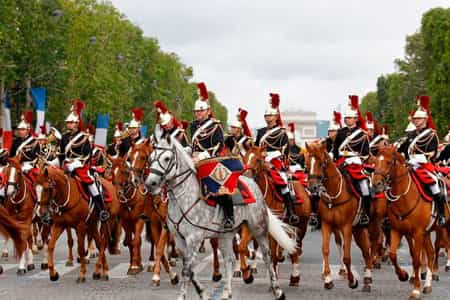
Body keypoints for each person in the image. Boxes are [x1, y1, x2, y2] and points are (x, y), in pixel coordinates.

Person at [189, 82, 237, 229]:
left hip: (212, 161)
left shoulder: (216, 126)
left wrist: (200, 156)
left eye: (201, 111)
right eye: (196, 111)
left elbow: (218, 147)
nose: (198, 113)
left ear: (208, 111)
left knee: (220, 187)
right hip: (195, 160)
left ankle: (229, 217)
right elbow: (194, 145)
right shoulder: (193, 126)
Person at [54, 100, 109, 222]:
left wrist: (74, 165)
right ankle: (51, 210)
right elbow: (62, 154)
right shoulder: (64, 137)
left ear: (76, 123)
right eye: (68, 123)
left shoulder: (84, 137)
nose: (68, 125)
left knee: (91, 183)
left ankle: (101, 210)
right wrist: (55, 163)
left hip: (80, 166)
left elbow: (86, 156)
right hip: (65, 166)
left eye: (71, 123)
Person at [398, 95, 444, 226]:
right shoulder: (411, 135)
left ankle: (440, 215)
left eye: (418, 119)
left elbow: (433, 154)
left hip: (424, 167)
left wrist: (416, 160)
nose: (416, 121)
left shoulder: (431, 134)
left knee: (435, 185)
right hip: (409, 166)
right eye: (415, 119)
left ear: (425, 120)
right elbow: (402, 150)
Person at [255, 93, 299, 224]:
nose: (268, 118)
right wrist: (259, 155)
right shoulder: (261, 132)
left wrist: (269, 156)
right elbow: (257, 147)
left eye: (270, 115)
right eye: (266, 115)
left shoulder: (281, 132)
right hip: (261, 161)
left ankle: (291, 212)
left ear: (276, 117)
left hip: (275, 162)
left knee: (283, 182)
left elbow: (284, 151)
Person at [333, 95, 370, 226]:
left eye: (350, 118)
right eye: (346, 118)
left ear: (355, 119)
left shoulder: (361, 134)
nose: (348, 120)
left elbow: (366, 153)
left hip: (356, 164)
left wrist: (354, 158)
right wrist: (337, 160)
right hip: (341, 163)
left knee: (365, 186)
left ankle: (366, 213)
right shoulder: (340, 132)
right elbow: (335, 150)